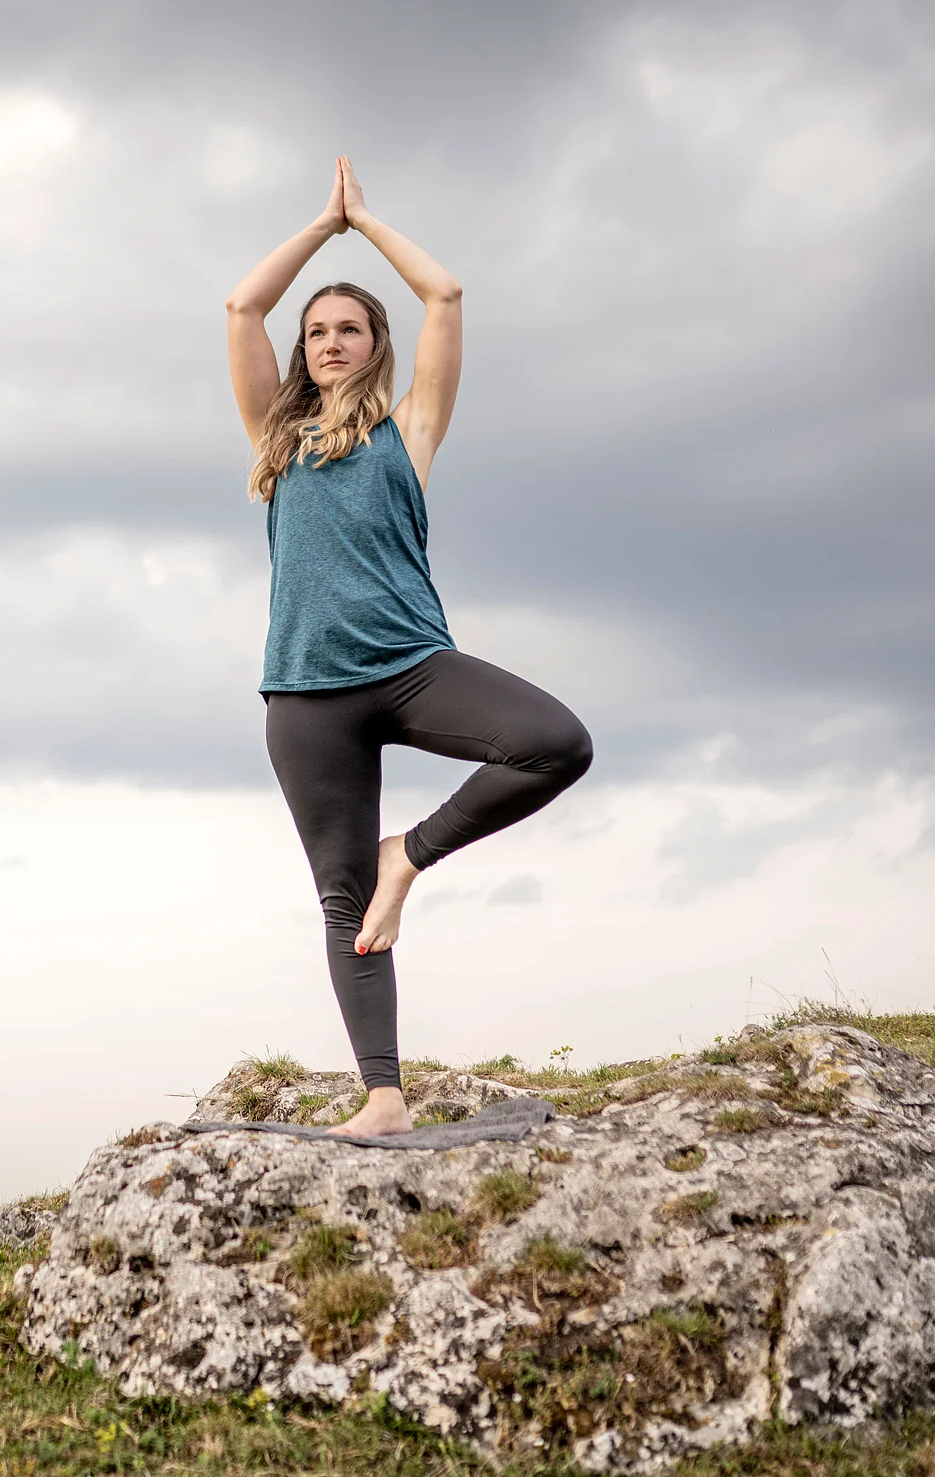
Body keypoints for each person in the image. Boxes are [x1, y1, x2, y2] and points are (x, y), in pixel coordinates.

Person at [226, 158, 594, 1139]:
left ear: (375, 344)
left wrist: (367, 224)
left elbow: (446, 291)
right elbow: (239, 307)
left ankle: (411, 854)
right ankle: (383, 1095)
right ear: (303, 350)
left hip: (411, 665)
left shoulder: (409, 427)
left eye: (350, 328)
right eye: (317, 331)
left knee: (557, 741)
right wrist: (319, 227)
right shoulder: (275, 435)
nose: (332, 341)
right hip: (306, 697)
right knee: (343, 904)